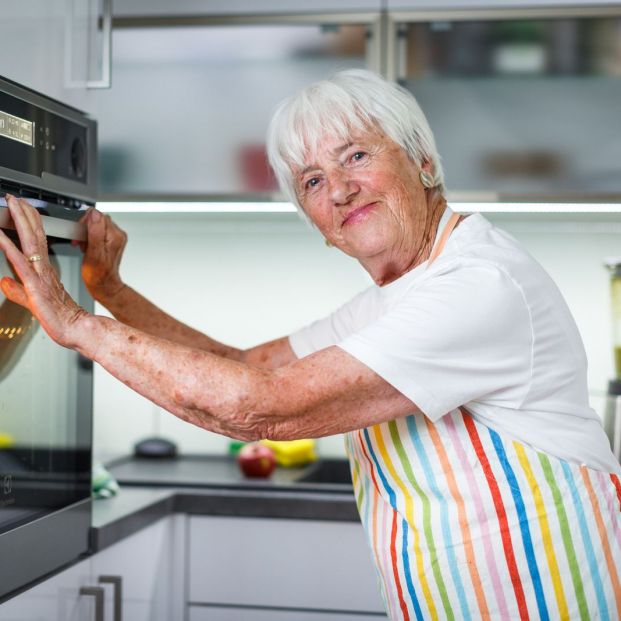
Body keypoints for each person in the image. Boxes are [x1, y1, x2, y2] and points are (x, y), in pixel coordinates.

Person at [0, 69, 620, 620]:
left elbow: (262, 405)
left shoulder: (477, 285)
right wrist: (108, 290)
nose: (340, 191)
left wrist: (78, 324)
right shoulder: (403, 293)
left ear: (424, 163)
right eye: (314, 180)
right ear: (315, 222)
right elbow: (244, 368)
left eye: (355, 156)